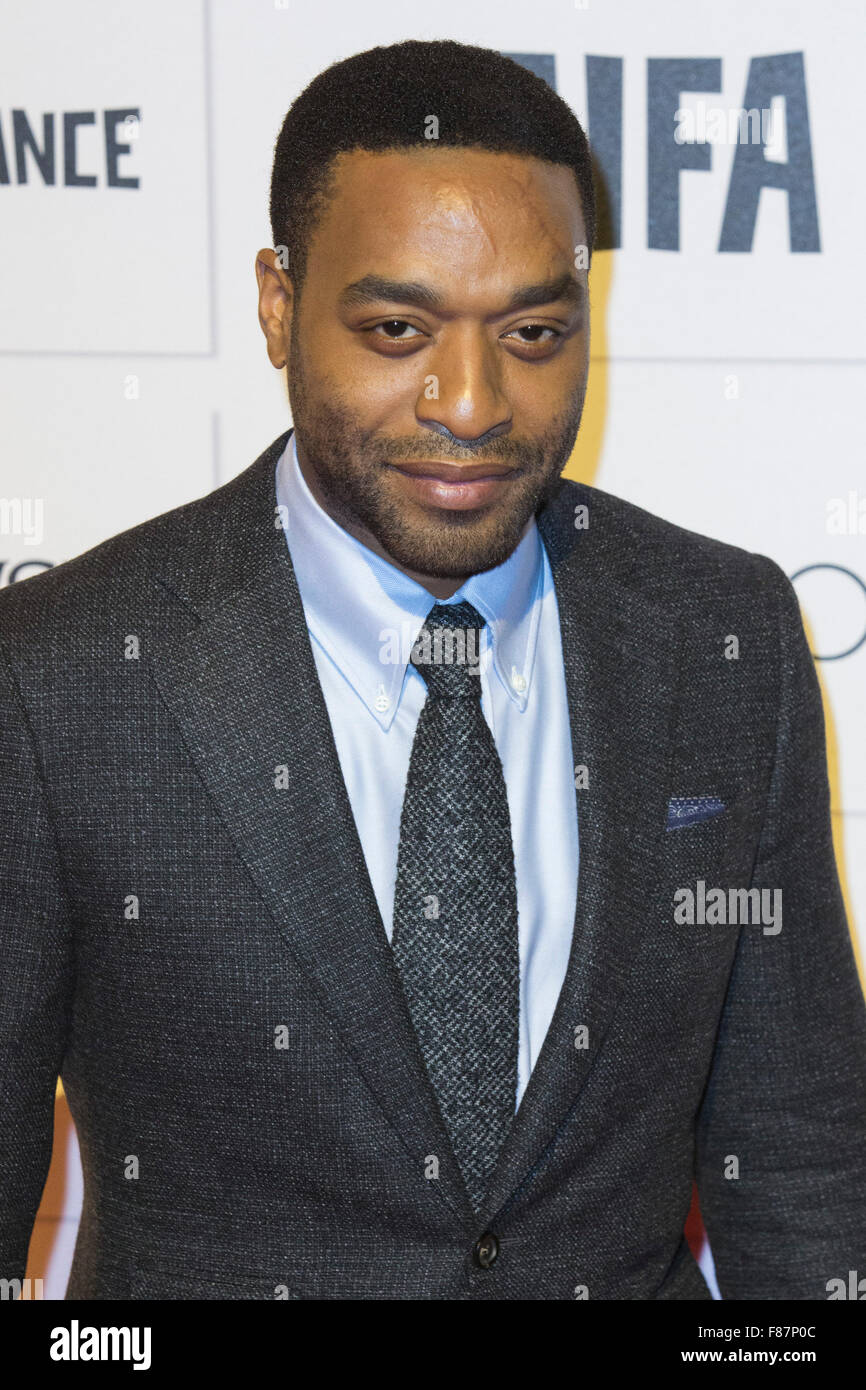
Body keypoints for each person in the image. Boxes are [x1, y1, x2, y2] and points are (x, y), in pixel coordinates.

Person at [1, 38, 864, 1301]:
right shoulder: (60, 676)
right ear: (279, 305)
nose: (469, 400)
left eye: (531, 330)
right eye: (398, 327)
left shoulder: (718, 637)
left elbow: (797, 1160)